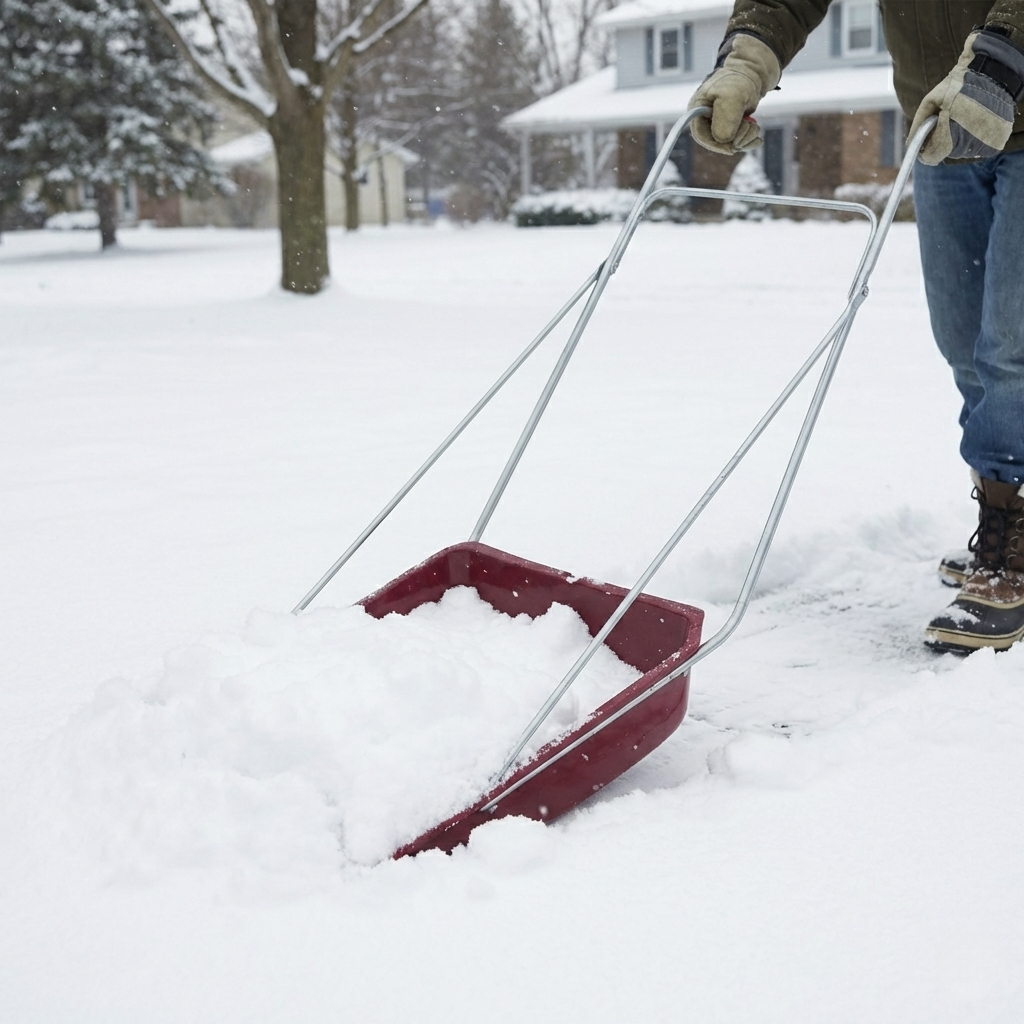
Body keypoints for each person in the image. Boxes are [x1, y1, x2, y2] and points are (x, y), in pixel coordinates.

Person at [688, 0, 1024, 653]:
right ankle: (1004, 506)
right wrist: (748, 58)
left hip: (1011, 102)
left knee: (1011, 344)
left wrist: (1001, 56)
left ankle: (1009, 531)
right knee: (962, 341)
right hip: (943, 125)